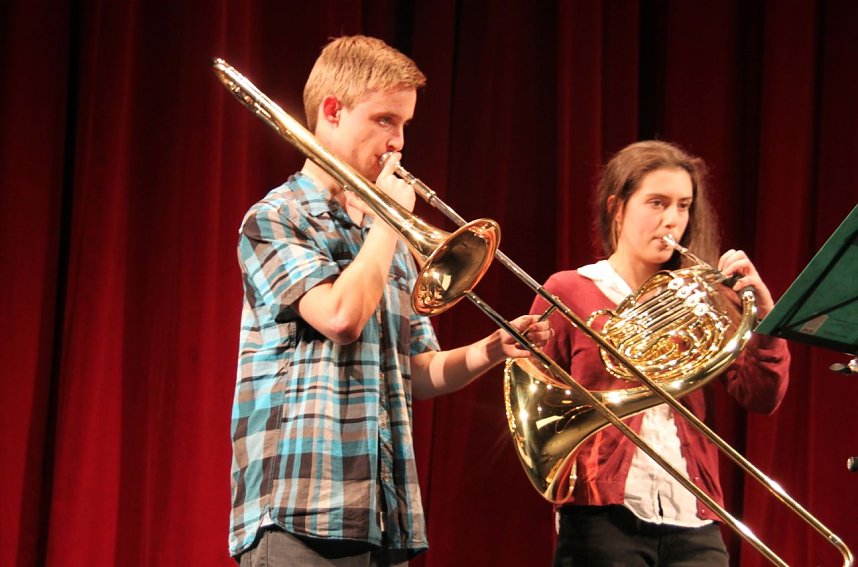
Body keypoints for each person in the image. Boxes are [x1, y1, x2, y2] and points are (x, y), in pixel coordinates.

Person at [228, 35, 550, 567]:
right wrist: (389, 224)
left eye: (403, 125)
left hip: (384, 513)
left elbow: (416, 373)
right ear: (332, 111)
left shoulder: (387, 241)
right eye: (384, 120)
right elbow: (340, 317)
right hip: (299, 510)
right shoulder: (276, 219)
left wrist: (492, 349)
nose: (397, 142)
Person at [533, 140, 790, 566]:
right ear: (617, 207)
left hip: (694, 514)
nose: (672, 221)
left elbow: (761, 397)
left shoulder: (700, 296)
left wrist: (764, 318)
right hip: (601, 517)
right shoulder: (567, 291)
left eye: (683, 206)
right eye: (657, 203)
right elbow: (538, 405)